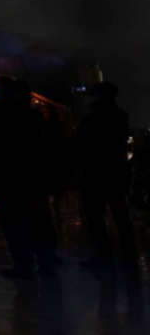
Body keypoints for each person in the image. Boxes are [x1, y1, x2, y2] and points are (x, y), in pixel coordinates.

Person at [0, 77, 56, 279]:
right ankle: (46, 261)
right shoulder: (32, 116)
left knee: (13, 223)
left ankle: (23, 263)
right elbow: (45, 147)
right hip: (32, 178)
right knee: (38, 221)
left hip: (6, 180)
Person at [75, 81, 137, 272]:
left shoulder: (91, 119)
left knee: (96, 217)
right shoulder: (120, 116)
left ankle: (103, 256)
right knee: (120, 214)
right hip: (115, 172)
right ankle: (128, 254)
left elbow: (82, 146)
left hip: (95, 174)